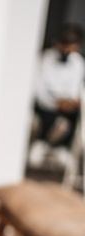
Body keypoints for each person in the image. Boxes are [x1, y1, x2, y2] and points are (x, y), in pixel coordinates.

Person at [30, 24, 85, 168]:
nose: (67, 48)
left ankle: (58, 148)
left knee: (72, 119)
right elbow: (38, 91)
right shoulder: (45, 59)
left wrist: (70, 102)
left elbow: (74, 91)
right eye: (65, 43)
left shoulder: (78, 63)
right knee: (47, 116)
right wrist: (55, 103)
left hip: (66, 108)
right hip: (46, 105)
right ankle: (42, 145)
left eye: (72, 44)